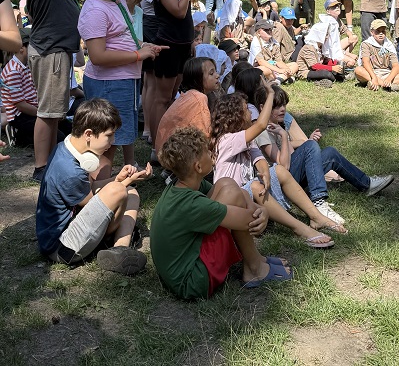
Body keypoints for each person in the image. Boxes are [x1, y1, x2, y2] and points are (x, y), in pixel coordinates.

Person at [150, 126, 292, 297]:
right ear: (198, 167)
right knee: (233, 194)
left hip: (179, 271)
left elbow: (238, 193)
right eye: (207, 152)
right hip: (191, 282)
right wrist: (264, 213)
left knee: (227, 183)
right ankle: (254, 268)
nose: (212, 153)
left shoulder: (183, 185)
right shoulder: (192, 204)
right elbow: (249, 220)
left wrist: (257, 206)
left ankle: (256, 259)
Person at [36, 98, 151, 275]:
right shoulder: (69, 170)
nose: (112, 141)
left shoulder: (66, 149)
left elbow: (91, 188)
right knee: (120, 190)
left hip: (73, 227)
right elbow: (93, 202)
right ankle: (116, 245)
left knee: (130, 192)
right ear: (88, 134)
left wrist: (118, 179)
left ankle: (120, 248)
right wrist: (123, 183)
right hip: (63, 247)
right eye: (109, 135)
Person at [211, 90, 340, 245]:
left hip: (248, 197)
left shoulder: (246, 139)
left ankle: (316, 217)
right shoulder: (228, 140)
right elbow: (260, 125)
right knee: (254, 186)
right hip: (234, 203)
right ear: (236, 116)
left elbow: (259, 159)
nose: (251, 113)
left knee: (278, 170)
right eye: (246, 110)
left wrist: (265, 172)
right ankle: (300, 228)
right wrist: (270, 94)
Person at [79, 0, 162, 168]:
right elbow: (97, 56)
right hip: (109, 84)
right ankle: (100, 186)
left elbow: (123, 35)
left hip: (123, 80)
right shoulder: (95, 9)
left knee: (120, 136)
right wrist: (137, 54)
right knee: (106, 144)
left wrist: (143, 45)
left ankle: (117, 178)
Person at [254, 84, 394, 214]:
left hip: (292, 176)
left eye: (284, 104)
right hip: (281, 185)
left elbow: (291, 154)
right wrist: (285, 136)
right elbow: (284, 167)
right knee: (310, 147)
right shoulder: (262, 132)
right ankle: (318, 200)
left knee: (330, 153)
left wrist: (308, 144)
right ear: (262, 107)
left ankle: (367, 184)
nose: (283, 109)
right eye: (277, 106)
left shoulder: (278, 125)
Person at [27, 0, 81, 182]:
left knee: (54, 112)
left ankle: (47, 163)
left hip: (55, 50)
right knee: (47, 112)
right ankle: (40, 167)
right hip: (50, 52)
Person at [150, 0, 194, 164]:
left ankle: (167, 141)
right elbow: (179, 11)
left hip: (183, 48)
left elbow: (187, 16)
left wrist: (191, 41)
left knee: (172, 97)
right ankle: (156, 147)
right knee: (162, 98)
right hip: (168, 47)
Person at [155, 56, 221, 152]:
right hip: (174, 154)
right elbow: (205, 136)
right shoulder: (199, 98)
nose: (217, 75)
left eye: (215, 71)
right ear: (198, 78)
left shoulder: (190, 95)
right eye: (211, 73)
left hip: (166, 151)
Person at [140, 0, 165, 142]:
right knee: (153, 83)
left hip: (148, 29)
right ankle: (149, 127)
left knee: (148, 81)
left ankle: (148, 127)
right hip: (153, 30)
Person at [355, 19, 399, 91]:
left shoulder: (389, 45)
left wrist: (389, 79)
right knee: (358, 70)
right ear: (372, 32)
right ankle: (387, 86)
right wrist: (374, 77)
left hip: (386, 73)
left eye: (383, 31)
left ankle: (377, 84)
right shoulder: (366, 44)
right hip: (371, 72)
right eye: (378, 31)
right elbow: (365, 62)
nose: (381, 34)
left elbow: (396, 66)